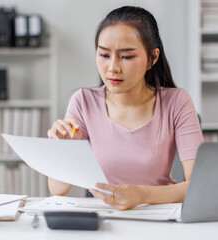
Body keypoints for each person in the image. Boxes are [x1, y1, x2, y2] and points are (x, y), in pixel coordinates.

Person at [47, 6, 203, 210]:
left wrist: (143, 195)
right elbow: (57, 189)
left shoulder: (177, 102)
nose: (113, 67)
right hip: (104, 219)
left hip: (160, 216)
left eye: (127, 57)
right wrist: (64, 148)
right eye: (104, 55)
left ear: (152, 58)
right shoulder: (83, 101)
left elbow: (199, 185)